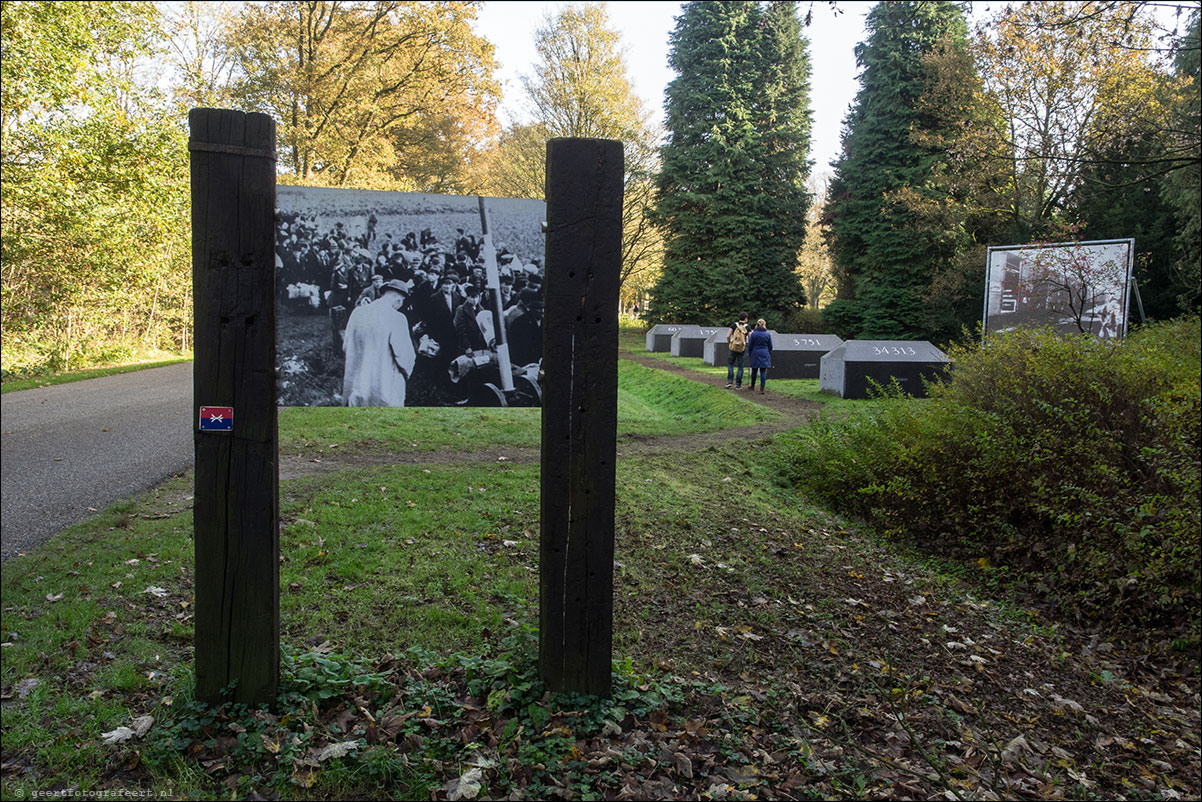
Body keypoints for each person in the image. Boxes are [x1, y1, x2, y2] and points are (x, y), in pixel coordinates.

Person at [342, 280, 416, 407]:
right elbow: (405, 356)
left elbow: (345, 346)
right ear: (400, 299)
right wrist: (407, 372)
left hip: (358, 384)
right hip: (384, 385)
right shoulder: (397, 318)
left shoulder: (357, 313)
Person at [747, 318, 773, 394]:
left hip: (755, 352)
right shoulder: (767, 334)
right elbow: (770, 346)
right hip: (765, 352)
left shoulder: (753, 334)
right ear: (764, 325)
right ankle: (762, 388)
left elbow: (750, 345)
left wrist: (750, 353)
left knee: (754, 370)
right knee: (763, 371)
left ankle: (752, 386)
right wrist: (768, 352)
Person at [725, 312, 750, 389]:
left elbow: (728, 336)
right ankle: (738, 385)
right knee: (740, 366)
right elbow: (750, 337)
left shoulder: (734, 325)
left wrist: (730, 343)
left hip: (733, 347)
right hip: (742, 348)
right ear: (745, 318)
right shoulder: (747, 327)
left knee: (730, 364)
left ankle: (730, 382)